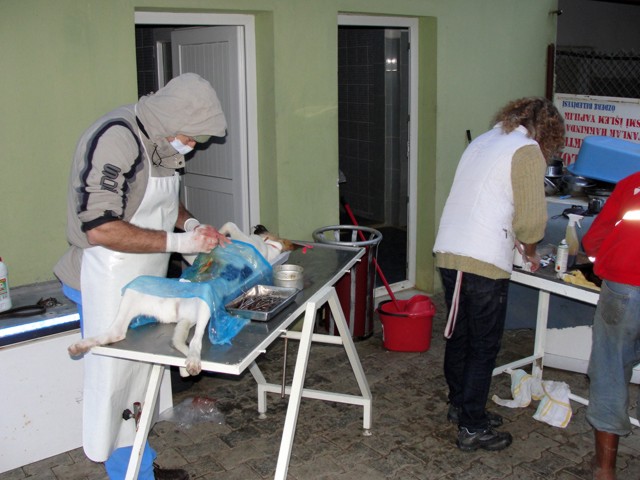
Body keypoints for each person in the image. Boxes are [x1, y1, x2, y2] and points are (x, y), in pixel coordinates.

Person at [54, 73, 230, 480]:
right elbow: (100, 228)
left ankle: (140, 465)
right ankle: (129, 474)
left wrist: (191, 226)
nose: (191, 146)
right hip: (101, 283)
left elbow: (163, 201)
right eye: (190, 137)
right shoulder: (115, 140)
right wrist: (180, 244)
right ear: (170, 120)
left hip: (145, 281)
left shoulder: (161, 142)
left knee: (140, 382)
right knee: (115, 385)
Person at [433, 97, 565, 452]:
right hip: (482, 259)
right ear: (548, 131)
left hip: (450, 251)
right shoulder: (526, 151)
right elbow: (532, 220)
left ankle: (462, 406)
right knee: (483, 345)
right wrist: (530, 251)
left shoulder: (484, 141)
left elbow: (489, 199)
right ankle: (472, 427)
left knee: (460, 335)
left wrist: (517, 239)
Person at [582, 170, 640, 480]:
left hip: (623, 287)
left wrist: (598, 261)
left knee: (610, 368)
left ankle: (605, 469)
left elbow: (595, 238)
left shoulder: (633, 183)